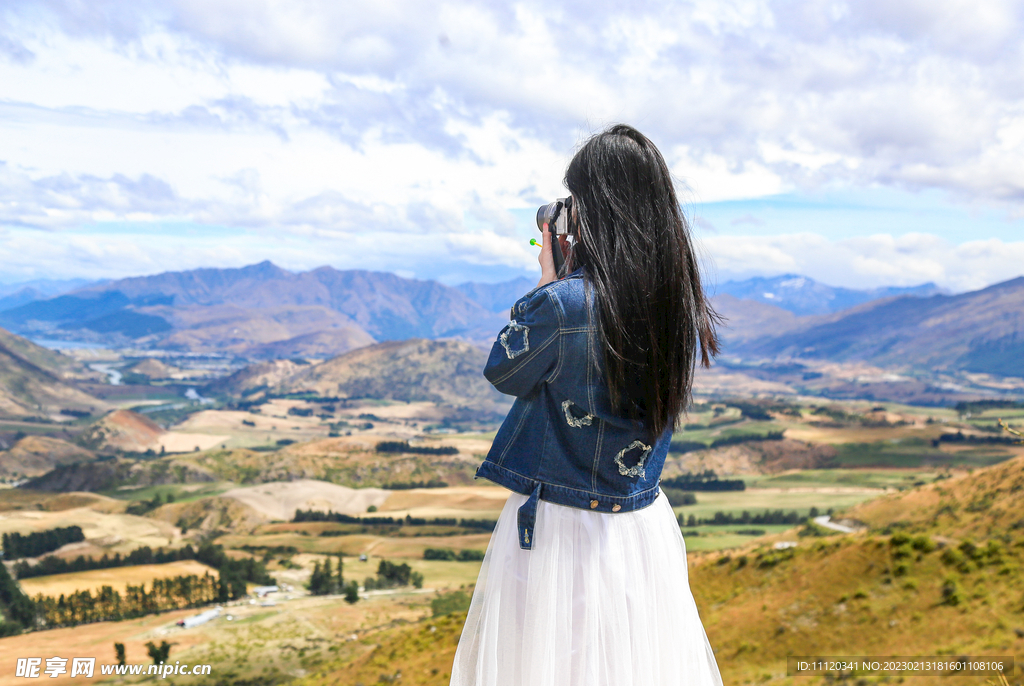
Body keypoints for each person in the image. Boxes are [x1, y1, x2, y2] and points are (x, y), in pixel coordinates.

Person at [450, 124, 724, 686]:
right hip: (639, 527)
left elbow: (503, 369)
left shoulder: (564, 304)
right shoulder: (677, 306)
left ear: (596, 210)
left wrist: (548, 280)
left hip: (556, 529)